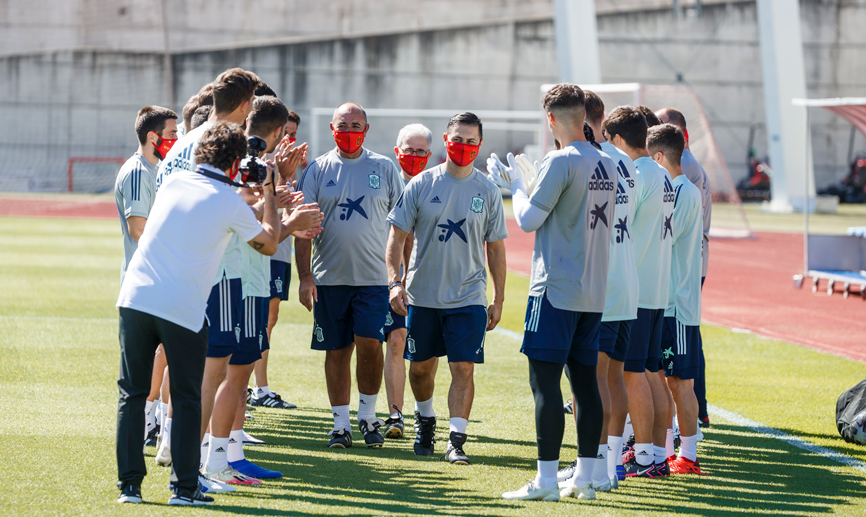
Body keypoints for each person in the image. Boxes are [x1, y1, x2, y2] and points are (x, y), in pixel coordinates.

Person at [115, 121, 280, 506]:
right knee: (188, 397)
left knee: (132, 395)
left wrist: (246, 194)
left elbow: (206, 209)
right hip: (181, 306)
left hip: (135, 297)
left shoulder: (174, 183)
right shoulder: (228, 202)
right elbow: (269, 241)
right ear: (236, 161)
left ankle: (130, 489)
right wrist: (269, 189)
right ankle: (184, 489)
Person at [497, 84, 616, 502]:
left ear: (550, 119)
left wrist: (517, 186)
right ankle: (586, 476)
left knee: (544, 385)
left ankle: (546, 481)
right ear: (583, 115)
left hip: (554, 289)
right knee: (585, 384)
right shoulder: (608, 163)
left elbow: (528, 220)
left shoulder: (560, 160)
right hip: (593, 291)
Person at [203, 95, 322, 482]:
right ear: (276, 131)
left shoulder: (258, 165)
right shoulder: (241, 162)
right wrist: (290, 219)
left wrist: (281, 192)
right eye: (285, 133)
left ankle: (228, 454)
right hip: (238, 276)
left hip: (249, 275)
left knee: (238, 372)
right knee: (225, 373)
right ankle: (207, 456)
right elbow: (246, 220)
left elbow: (252, 213)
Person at [153, 69, 261, 476]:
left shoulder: (181, 144)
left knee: (184, 365)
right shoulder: (225, 147)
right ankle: (194, 468)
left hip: (174, 268)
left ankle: (172, 441)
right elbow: (236, 209)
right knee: (212, 371)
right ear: (247, 103)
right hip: (216, 270)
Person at [387, 113, 507, 463]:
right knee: (421, 369)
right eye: (458, 139)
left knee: (463, 368)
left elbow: (496, 248)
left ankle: (457, 440)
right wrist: (395, 282)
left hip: (469, 297)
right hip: (423, 296)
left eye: (471, 141)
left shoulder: (487, 190)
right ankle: (425, 419)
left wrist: (498, 299)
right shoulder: (422, 184)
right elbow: (396, 237)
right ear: (445, 138)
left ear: (480, 145)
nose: (464, 147)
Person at [296, 102, 404, 448]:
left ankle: (368, 416)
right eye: (343, 126)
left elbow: (401, 228)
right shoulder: (317, 170)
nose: (349, 132)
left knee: (371, 346)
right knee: (337, 351)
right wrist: (304, 277)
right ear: (332, 129)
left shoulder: (385, 168)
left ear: (366, 130)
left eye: (356, 126)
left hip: (375, 280)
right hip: (329, 278)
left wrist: (401, 276)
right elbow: (303, 226)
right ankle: (340, 424)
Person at [558, 91, 639, 491]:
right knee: (616, 380)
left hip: (600, 285)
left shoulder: (590, 161)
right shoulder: (624, 162)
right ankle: (612, 467)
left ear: (582, 121)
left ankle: (593, 469)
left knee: (590, 383)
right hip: (628, 282)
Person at [604, 106, 674, 478]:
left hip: (639, 288)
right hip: (656, 286)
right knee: (651, 372)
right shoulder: (660, 173)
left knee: (633, 374)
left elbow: (618, 224)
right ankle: (659, 455)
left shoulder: (636, 174)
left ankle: (645, 455)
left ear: (616, 139)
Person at [114, 105, 179, 449]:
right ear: (153, 137)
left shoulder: (155, 169)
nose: (177, 139)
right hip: (147, 280)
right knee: (158, 355)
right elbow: (138, 228)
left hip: (156, 277)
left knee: (164, 353)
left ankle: (152, 423)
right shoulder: (140, 172)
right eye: (171, 134)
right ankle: (147, 423)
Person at [647, 123, 705, 475]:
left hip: (678, 306)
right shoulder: (674, 190)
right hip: (664, 302)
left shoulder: (683, 191)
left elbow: (664, 241)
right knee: (661, 378)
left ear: (658, 156)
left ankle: (690, 455)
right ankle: (668, 449)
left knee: (680, 381)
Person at [656, 107, 713, 429]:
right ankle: (679, 436)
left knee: (678, 374)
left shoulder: (683, 183)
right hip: (677, 289)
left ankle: (687, 441)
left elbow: (668, 235)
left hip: (677, 294)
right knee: (672, 371)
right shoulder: (683, 182)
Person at [381, 123, 437, 439]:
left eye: (420, 151)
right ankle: (393, 414)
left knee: (414, 346)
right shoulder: (385, 184)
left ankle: (418, 410)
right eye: (408, 149)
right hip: (384, 277)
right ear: (397, 150)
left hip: (422, 280)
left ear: (428, 154)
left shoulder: (436, 185)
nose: (413, 156)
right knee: (388, 342)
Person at [251, 108, 308, 410]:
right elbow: (256, 207)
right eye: (284, 131)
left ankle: (256, 386)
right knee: (259, 319)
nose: (288, 138)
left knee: (268, 320)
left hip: (280, 248)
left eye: (293, 133)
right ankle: (257, 388)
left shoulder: (287, 162)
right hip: (264, 249)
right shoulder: (259, 161)